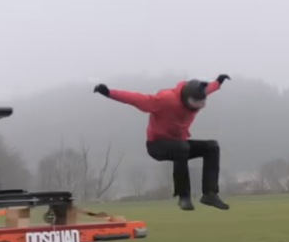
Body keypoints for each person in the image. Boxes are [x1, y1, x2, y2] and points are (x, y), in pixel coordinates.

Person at [94, 75, 232, 211]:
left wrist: (218, 82)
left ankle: (210, 194)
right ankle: (184, 196)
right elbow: (135, 98)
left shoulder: (197, 94)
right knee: (182, 147)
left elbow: (209, 88)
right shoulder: (165, 100)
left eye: (200, 103)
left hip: (178, 144)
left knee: (212, 147)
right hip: (156, 145)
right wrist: (108, 92)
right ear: (186, 98)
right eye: (194, 103)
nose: (197, 107)